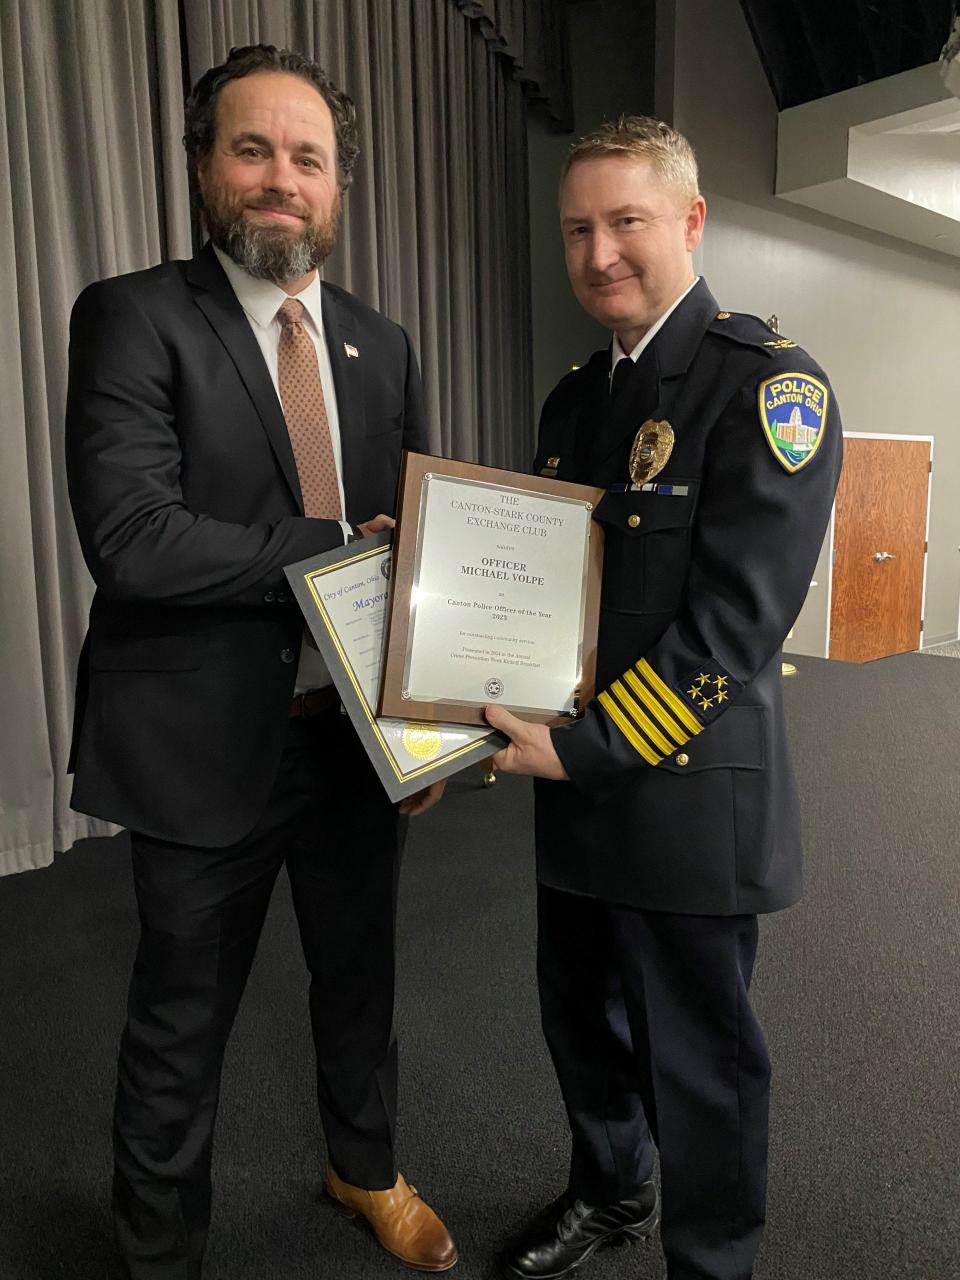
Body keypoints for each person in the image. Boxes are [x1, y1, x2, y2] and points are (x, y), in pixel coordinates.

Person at [65, 44, 456, 1280]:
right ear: (201, 166)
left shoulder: (383, 346)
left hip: (350, 739)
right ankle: (160, 1251)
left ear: (340, 186)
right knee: (180, 1023)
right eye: (253, 148)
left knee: (360, 984)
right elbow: (133, 538)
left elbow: (422, 559)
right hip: (200, 746)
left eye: (309, 157)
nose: (281, 178)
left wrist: (427, 721)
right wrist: (329, 543)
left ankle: (365, 1163)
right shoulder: (130, 315)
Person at [485, 117, 842, 1280]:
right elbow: (542, 596)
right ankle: (611, 1190)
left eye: (626, 221)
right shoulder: (575, 403)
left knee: (700, 1058)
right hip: (575, 788)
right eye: (578, 228)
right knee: (579, 1024)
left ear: (690, 221)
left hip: (681, 796)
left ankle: (712, 1256)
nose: (599, 253)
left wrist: (583, 749)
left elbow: (737, 626)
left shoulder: (770, 388)